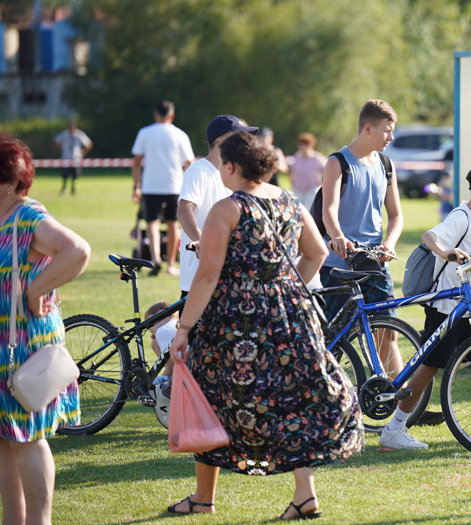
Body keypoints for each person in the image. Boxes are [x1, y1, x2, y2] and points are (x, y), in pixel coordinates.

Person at [168, 131, 362, 518]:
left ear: (232, 166)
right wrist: (282, 287)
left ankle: (204, 499)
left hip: (235, 322)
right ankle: (305, 495)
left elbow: (207, 275)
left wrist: (184, 328)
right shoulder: (289, 199)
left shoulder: (228, 208)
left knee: (214, 397)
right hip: (290, 316)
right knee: (296, 398)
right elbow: (317, 252)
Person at [379, 163, 471, 450]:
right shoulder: (461, 217)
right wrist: (445, 251)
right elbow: (429, 236)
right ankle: (394, 429)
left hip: (468, 304)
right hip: (446, 305)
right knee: (429, 368)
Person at [0, 133, 91, 525]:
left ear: (8, 181)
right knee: (5, 441)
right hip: (5, 342)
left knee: (27, 438)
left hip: (24, 346)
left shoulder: (28, 215)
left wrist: (38, 288)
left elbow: (77, 250)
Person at [319, 100, 408, 416]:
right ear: (368, 128)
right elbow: (328, 209)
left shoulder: (386, 164)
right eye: (387, 131)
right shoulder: (337, 162)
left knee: (388, 334)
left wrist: (390, 242)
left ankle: (398, 409)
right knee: (333, 342)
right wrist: (337, 235)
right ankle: (328, 404)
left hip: (376, 263)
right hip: (339, 267)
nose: (391, 138)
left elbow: (396, 215)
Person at [178, 114, 258, 298]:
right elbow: (183, 209)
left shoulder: (231, 172)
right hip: (200, 275)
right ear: (221, 140)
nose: (244, 142)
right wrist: (201, 241)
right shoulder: (198, 170)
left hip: (226, 274)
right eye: (238, 136)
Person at [132, 100, 195, 277]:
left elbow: (136, 163)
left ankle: (155, 258)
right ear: (172, 116)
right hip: (174, 186)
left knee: (152, 222)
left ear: (155, 115)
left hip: (150, 186)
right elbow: (189, 162)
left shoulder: (144, 133)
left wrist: (136, 185)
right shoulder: (180, 134)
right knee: (173, 224)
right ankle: (171, 265)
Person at [145, 300, 176, 429]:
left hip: (181, 376)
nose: (149, 330)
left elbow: (172, 367)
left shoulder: (163, 331)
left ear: (159, 314)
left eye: (149, 324)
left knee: (149, 387)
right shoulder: (177, 324)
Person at [287, 132, 326, 208]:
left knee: (309, 209)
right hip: (298, 189)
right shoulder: (297, 156)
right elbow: (292, 170)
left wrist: (321, 181)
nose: (303, 148)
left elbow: (325, 169)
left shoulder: (317, 158)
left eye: (305, 145)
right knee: (297, 208)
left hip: (311, 189)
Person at [53, 120, 92, 195]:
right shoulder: (64, 134)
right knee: (65, 174)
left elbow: (89, 143)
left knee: (75, 174)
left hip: (75, 158)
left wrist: (83, 152)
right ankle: (64, 187)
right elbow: (56, 140)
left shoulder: (79, 134)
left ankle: (73, 188)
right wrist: (61, 148)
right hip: (66, 157)